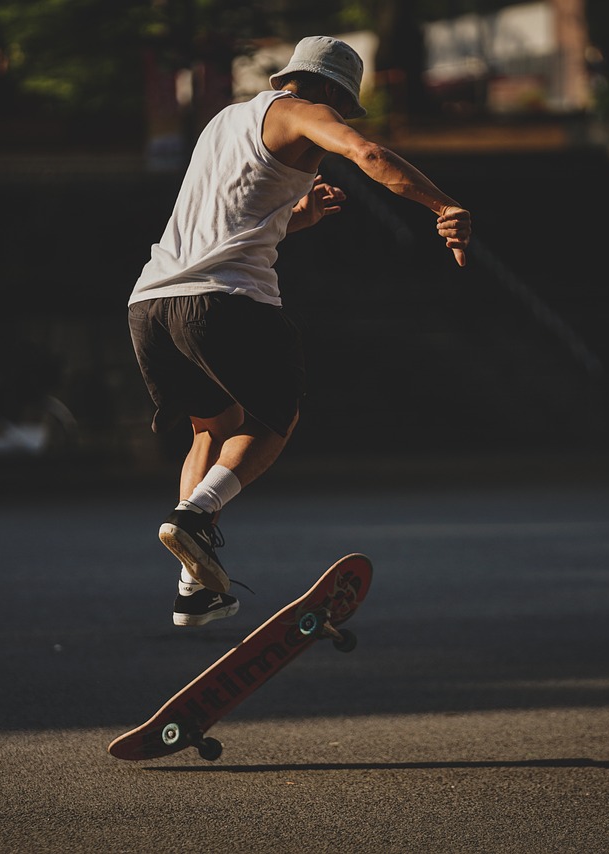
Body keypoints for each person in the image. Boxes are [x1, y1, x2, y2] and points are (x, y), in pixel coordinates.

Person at [127, 35, 471, 627]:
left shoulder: (223, 123)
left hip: (152, 303)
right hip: (227, 304)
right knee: (274, 418)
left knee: (210, 432)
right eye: (339, 104)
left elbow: (226, 222)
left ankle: (194, 585)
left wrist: (294, 218)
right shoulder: (305, 112)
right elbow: (368, 155)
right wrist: (443, 205)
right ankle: (195, 518)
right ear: (329, 89)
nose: (334, 118)